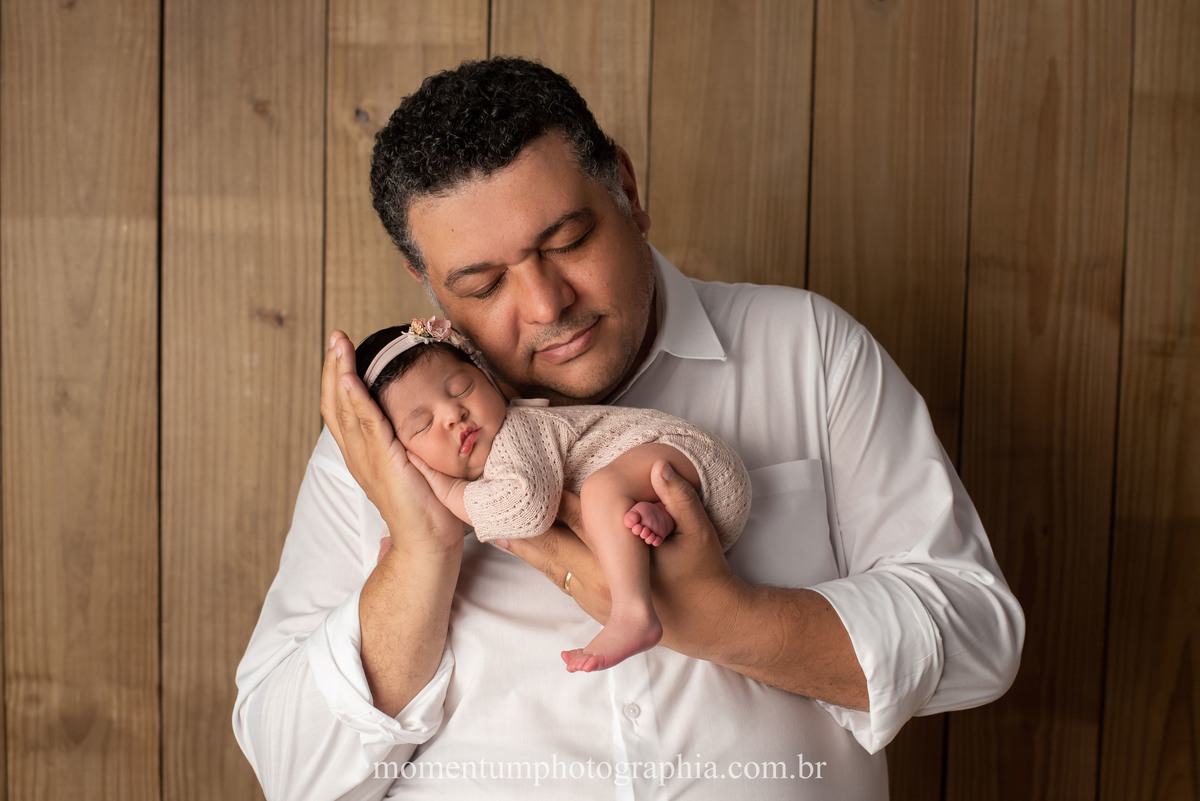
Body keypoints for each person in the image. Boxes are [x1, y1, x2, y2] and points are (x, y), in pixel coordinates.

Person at [233, 57, 1024, 799]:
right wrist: (421, 550)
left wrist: (727, 621)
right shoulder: (384, 442)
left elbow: (980, 636)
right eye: (482, 283)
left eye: (568, 242)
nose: (546, 304)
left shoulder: (807, 349)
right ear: (429, 285)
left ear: (627, 189)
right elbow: (290, 764)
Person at [354, 316, 750, 672]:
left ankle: (633, 613)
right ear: (405, 455)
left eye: (462, 389)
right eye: (423, 424)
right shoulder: (486, 475)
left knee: (600, 490)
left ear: (487, 378)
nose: (452, 414)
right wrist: (404, 540)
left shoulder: (515, 432)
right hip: (680, 513)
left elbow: (526, 509)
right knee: (610, 510)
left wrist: (450, 489)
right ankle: (655, 515)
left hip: (693, 461)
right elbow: (467, 517)